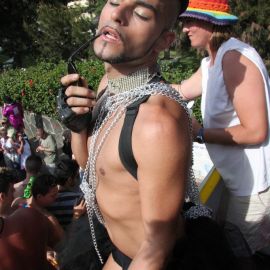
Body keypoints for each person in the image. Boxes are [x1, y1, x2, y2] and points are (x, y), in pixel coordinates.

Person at [59, 1, 236, 269]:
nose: (116, 14)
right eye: (114, 1)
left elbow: (157, 247)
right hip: (117, 251)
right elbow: (94, 168)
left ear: (164, 41)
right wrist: (78, 125)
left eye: (141, 14)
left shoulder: (156, 122)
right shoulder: (109, 85)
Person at [175, 0, 270, 255]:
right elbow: (181, 91)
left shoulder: (234, 58)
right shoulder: (210, 63)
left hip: (253, 189)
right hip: (234, 181)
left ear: (211, 21)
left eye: (191, 20)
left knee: (245, 258)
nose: (185, 28)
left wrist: (200, 132)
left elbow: (256, 130)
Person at [47, 157, 84, 230]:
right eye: (76, 176)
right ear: (69, 179)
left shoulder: (47, 200)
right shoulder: (79, 200)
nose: (77, 179)